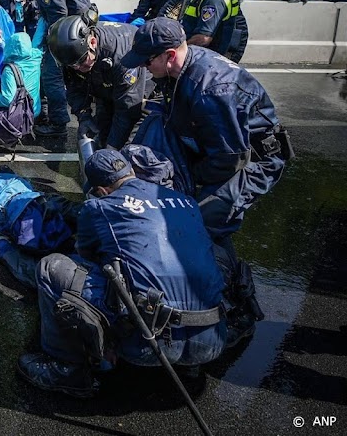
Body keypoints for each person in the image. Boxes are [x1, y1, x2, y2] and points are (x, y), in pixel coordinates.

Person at [123, 18, 290, 342]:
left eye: (148, 60)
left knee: (205, 222)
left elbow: (230, 160)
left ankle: (238, 306)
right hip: (216, 147)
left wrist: (189, 187)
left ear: (169, 55)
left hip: (252, 160)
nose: (144, 66)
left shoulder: (211, 88)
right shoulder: (179, 69)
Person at [18, 150, 226, 398]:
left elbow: (85, 257)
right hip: (212, 338)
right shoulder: (185, 201)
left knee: (52, 267)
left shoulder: (98, 206)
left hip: (147, 345)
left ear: (102, 189)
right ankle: (191, 366)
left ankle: (67, 369)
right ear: (132, 171)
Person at [48, 15, 154, 150]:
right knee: (102, 131)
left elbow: (127, 110)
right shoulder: (72, 54)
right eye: (73, 66)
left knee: (128, 146)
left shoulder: (121, 56)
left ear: (92, 42)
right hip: (105, 82)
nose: (78, 69)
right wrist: (83, 115)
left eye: (81, 62)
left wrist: (113, 148)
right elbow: (74, 88)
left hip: (138, 90)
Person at [22, 0, 92, 137]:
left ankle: (58, 123)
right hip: (85, 27)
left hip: (68, 33)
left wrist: (49, 42)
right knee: (81, 77)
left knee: (51, 75)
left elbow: (58, 16)